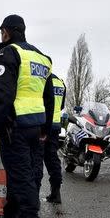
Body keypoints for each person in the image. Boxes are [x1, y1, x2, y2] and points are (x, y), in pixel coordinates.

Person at [0, 14, 52, 218]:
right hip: (36, 127)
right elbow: (48, 96)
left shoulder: (9, 54)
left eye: (1, 31)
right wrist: (45, 128)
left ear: (7, 32)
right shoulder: (42, 58)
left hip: (15, 127)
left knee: (21, 179)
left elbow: (3, 96)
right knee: (24, 176)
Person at [42, 73, 66, 204]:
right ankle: (56, 194)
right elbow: (61, 105)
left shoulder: (44, 79)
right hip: (56, 125)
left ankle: (33, 196)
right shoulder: (61, 82)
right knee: (53, 158)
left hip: (43, 123)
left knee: (37, 158)